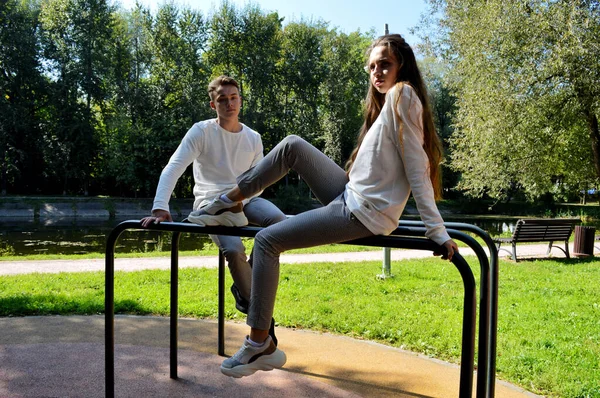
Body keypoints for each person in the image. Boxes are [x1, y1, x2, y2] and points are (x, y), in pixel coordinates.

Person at [194, 34, 460, 378]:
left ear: (402, 66)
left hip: (361, 211)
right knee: (292, 146)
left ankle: (260, 343)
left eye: (385, 64)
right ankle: (230, 199)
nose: (377, 72)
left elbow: (417, 166)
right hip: (350, 195)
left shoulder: (402, 94)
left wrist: (436, 230)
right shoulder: (388, 103)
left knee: (267, 240)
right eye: (372, 66)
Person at [140, 75, 286, 344]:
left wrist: (242, 198)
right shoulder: (202, 131)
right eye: (222, 99)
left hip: (246, 198)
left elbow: (260, 181)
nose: (229, 103)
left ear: (240, 100)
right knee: (233, 249)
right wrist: (160, 207)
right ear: (213, 105)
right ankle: (262, 319)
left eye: (234, 98)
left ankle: (244, 288)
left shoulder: (253, 138)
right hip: (211, 203)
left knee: (280, 225)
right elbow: (174, 167)